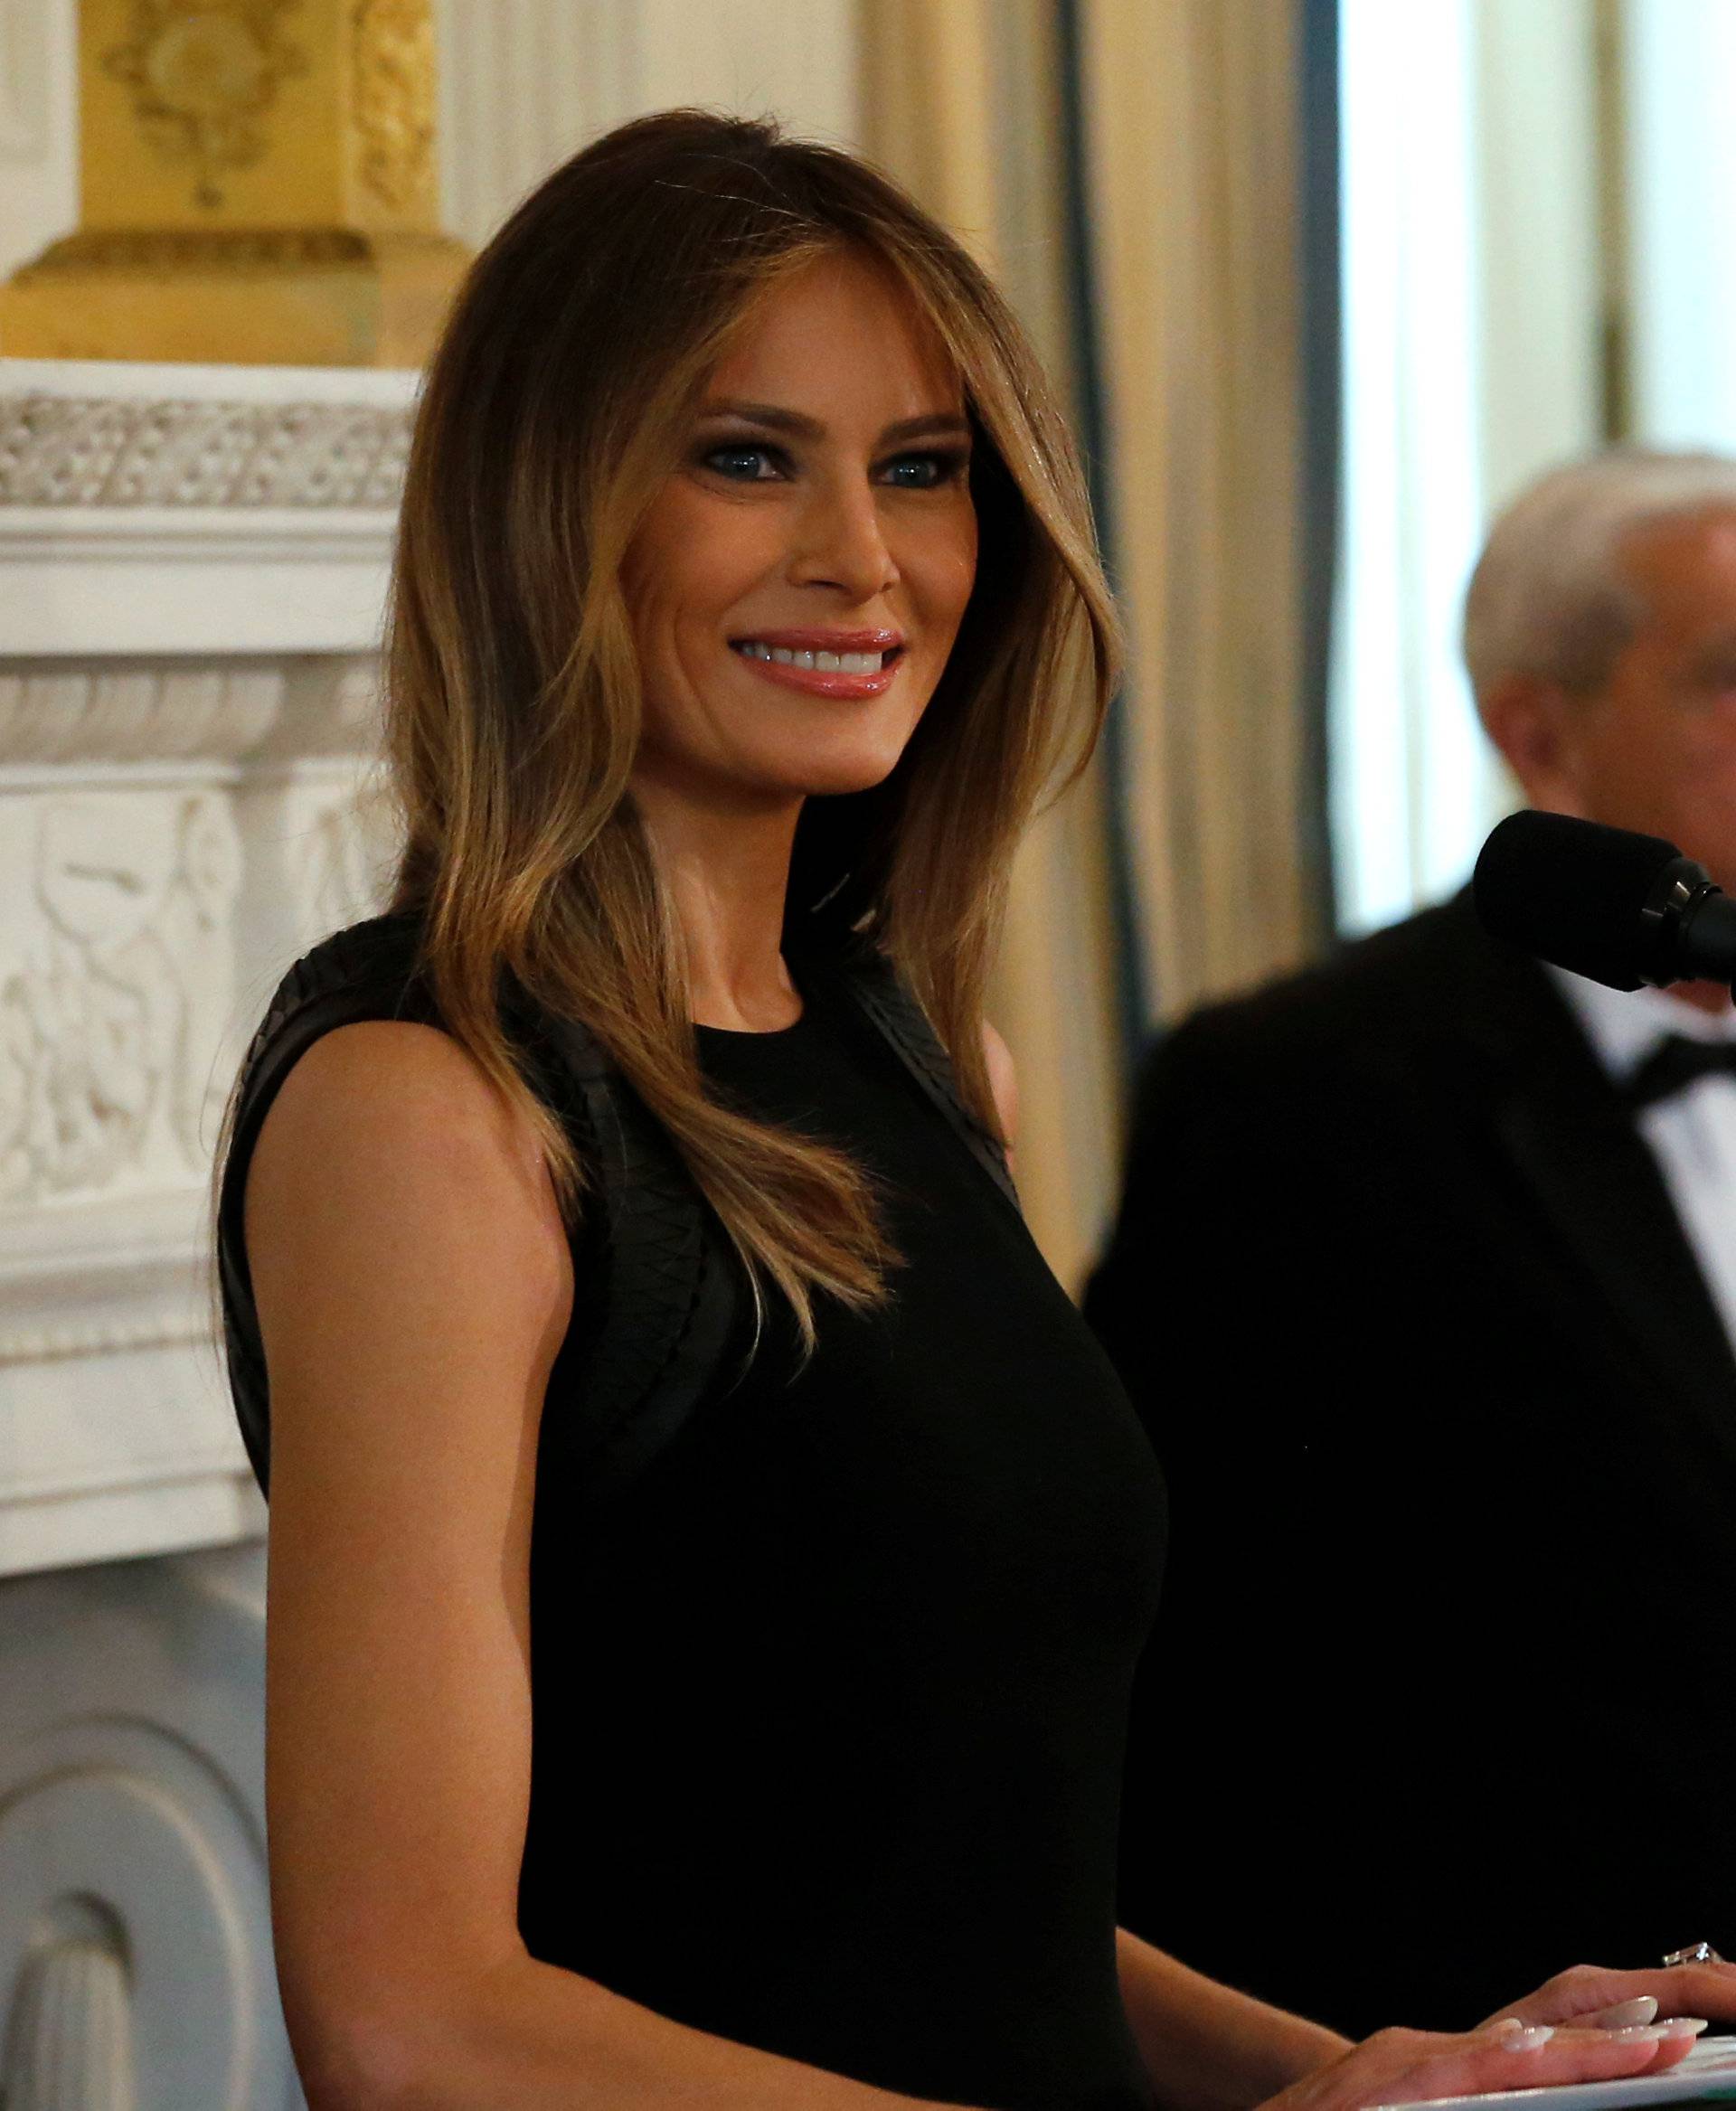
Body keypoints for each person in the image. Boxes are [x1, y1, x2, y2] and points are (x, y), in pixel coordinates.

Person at [220, 119, 1732, 2111]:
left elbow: (964, 1900)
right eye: (746, 455)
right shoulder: (430, 1109)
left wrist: (1381, 2079)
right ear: (545, 504)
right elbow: (414, 2026)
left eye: (922, 470)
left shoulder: (934, 1063)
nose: (868, 558)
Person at [1090, 448, 1736, 2041]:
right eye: (1729, 678)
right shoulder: (1299, 1097)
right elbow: (1191, 1673)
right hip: (1511, 2037)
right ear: (1538, 733)